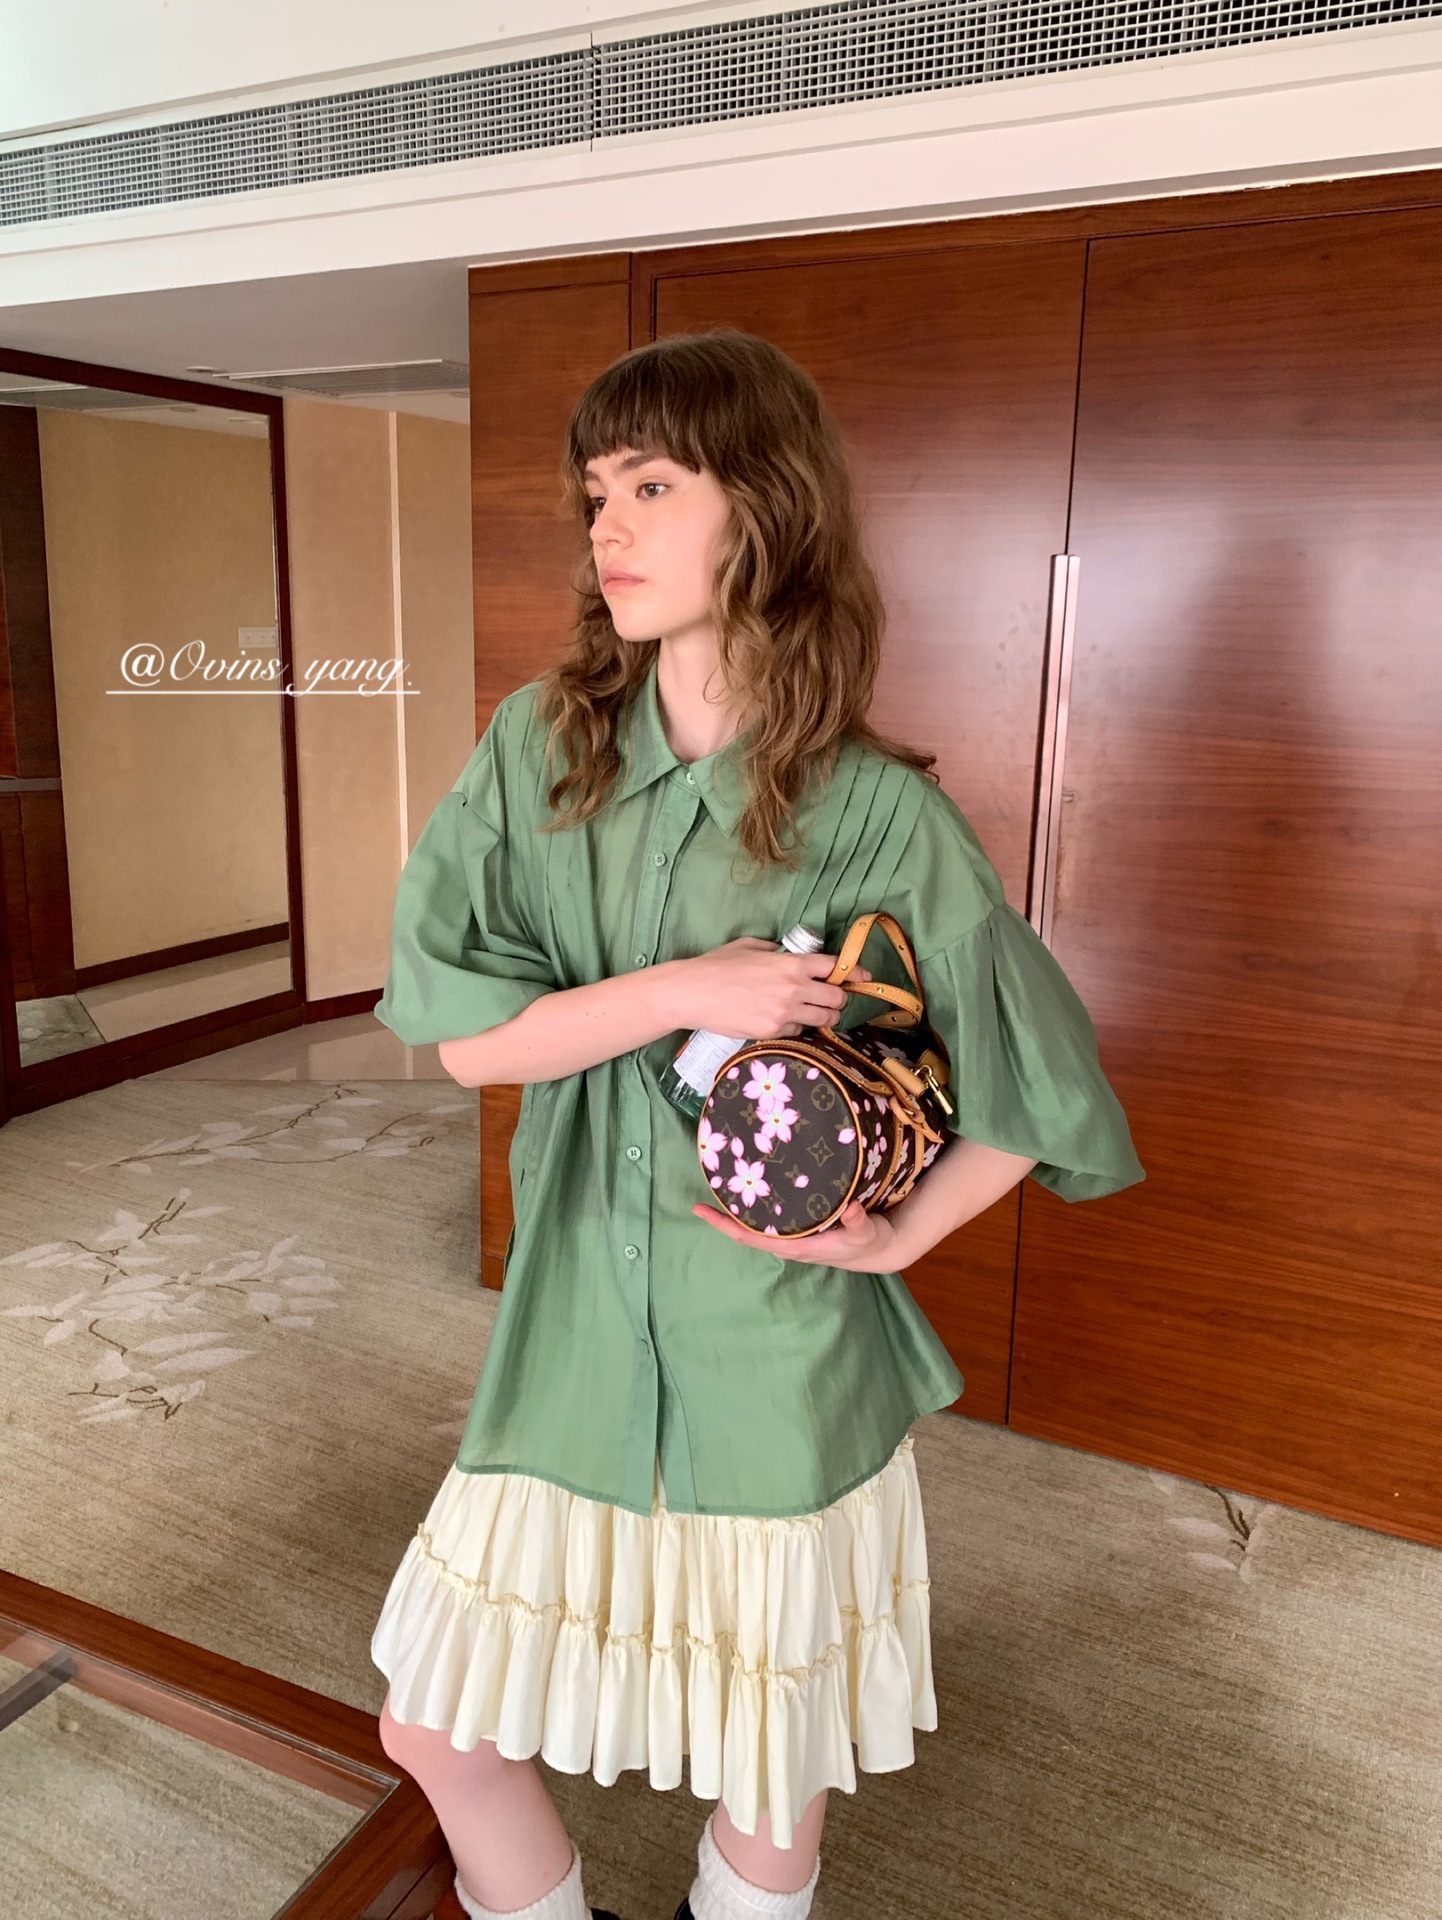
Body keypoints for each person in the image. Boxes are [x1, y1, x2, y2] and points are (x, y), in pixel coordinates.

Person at [369, 330, 1145, 1920]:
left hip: (777, 1344)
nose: (608, 523)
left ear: (766, 506)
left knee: (769, 1755)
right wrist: (680, 988)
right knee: (433, 1725)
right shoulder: (540, 748)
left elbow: (1036, 1082)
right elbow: (464, 1042)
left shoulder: (876, 810)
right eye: (597, 489)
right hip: (574, 1318)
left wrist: (896, 1242)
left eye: (652, 485)